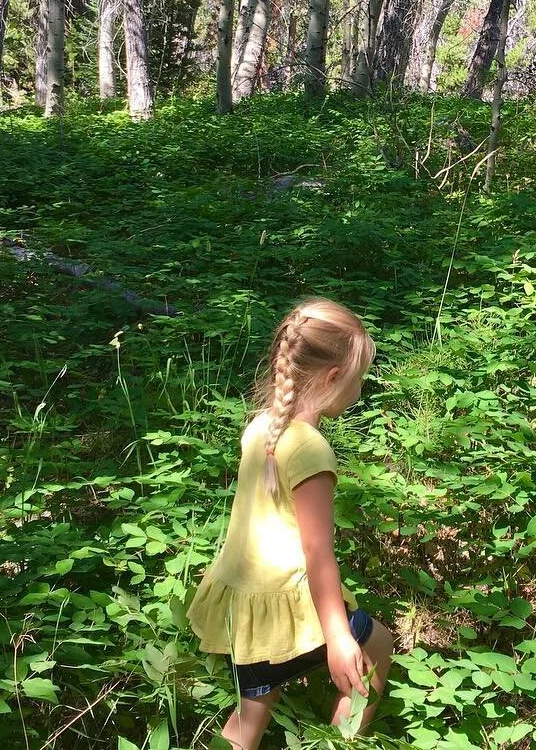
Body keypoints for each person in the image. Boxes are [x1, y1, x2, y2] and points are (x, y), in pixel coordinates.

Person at [187, 299, 393, 749]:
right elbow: (318, 553)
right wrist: (337, 638)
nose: (360, 389)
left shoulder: (263, 426)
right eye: (358, 378)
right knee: (375, 645)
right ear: (333, 377)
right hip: (282, 606)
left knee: (250, 714)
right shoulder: (309, 449)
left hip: (244, 607)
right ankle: (341, 742)